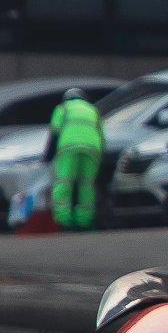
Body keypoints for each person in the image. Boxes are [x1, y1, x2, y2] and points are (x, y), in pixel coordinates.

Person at [43, 87, 104, 231]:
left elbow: (54, 134)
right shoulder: (93, 110)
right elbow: (102, 136)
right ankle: (85, 219)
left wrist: (47, 157)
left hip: (68, 148)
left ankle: (63, 220)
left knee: (64, 182)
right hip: (92, 149)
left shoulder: (62, 109)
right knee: (86, 184)